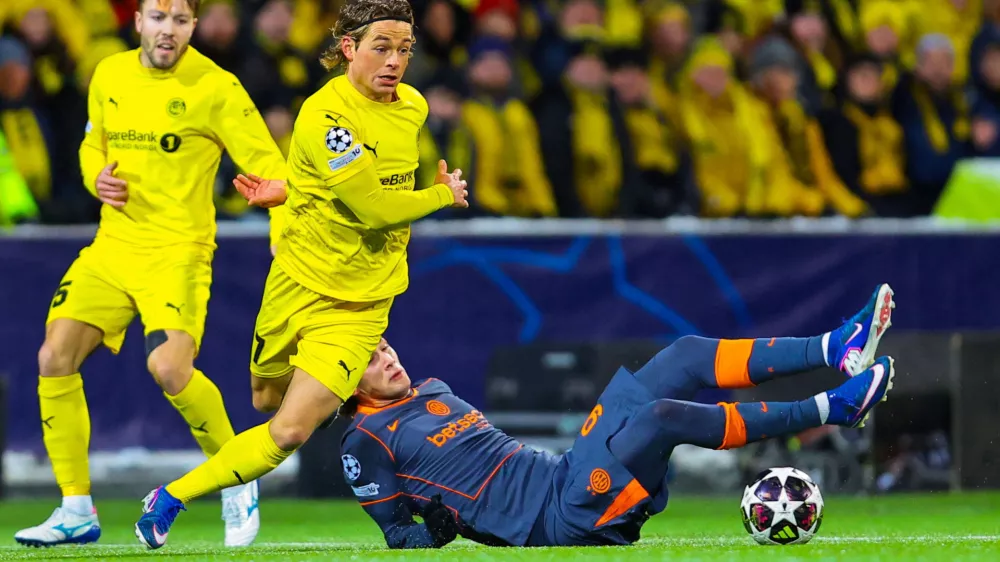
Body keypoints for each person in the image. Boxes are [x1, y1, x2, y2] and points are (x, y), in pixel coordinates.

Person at [134, 0, 469, 549]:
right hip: (297, 284)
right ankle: (258, 445)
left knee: (289, 430)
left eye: (404, 49)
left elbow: (369, 187)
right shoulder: (325, 116)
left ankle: (169, 498)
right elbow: (372, 207)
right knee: (266, 401)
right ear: (349, 48)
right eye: (381, 48)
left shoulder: (412, 106)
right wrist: (442, 195)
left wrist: (293, 188)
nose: (394, 61)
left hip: (361, 305)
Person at [15, 0, 287, 548]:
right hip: (113, 246)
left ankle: (236, 474)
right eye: (158, 18)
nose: (168, 31)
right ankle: (75, 509)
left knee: (168, 368)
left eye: (180, 20)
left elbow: (271, 168)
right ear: (137, 21)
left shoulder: (217, 87)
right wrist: (96, 177)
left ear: (193, 25)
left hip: (177, 252)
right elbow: (93, 143)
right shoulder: (109, 73)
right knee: (53, 357)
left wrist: (282, 225)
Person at [340, 284, 895, 548]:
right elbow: (398, 536)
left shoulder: (432, 389)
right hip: (555, 522)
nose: (387, 357)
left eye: (384, 346)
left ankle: (834, 348)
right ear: (347, 380)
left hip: (566, 476)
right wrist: (436, 534)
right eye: (370, 358)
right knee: (659, 417)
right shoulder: (364, 441)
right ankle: (833, 408)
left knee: (683, 355)